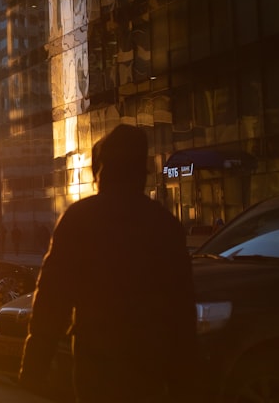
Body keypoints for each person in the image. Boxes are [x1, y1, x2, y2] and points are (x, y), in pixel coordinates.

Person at [18, 124, 197, 402]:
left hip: (96, 358)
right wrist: (185, 381)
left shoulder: (79, 219)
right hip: (149, 359)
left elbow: (52, 297)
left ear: (101, 170)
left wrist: (35, 364)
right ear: (141, 171)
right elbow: (182, 308)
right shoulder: (164, 225)